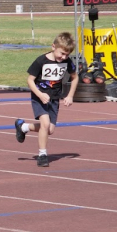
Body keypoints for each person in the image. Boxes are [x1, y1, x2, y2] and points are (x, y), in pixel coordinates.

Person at [15, 33, 78, 168]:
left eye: (67, 55)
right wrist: (39, 94)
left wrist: (70, 95)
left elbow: (75, 77)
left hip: (54, 98)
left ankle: (23, 127)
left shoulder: (67, 62)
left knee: (49, 129)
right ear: (53, 47)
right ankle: (42, 155)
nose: (63, 57)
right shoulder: (41, 61)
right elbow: (30, 80)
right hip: (39, 97)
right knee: (45, 123)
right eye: (61, 53)